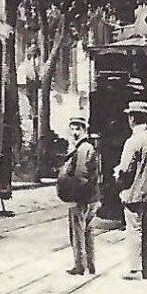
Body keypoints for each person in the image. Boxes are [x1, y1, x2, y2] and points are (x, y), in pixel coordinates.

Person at [115, 100, 147, 280]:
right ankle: (146, 270)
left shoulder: (132, 142)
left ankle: (134, 270)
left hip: (134, 193)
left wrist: (118, 178)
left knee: (134, 230)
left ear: (132, 119)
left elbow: (125, 169)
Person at [57, 115, 100, 275]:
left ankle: (80, 265)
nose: (74, 132)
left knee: (78, 232)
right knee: (88, 231)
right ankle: (91, 264)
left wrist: (74, 196)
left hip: (81, 198)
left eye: (78, 129)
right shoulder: (85, 147)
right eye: (72, 128)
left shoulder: (82, 149)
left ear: (84, 130)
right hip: (91, 197)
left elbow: (80, 175)